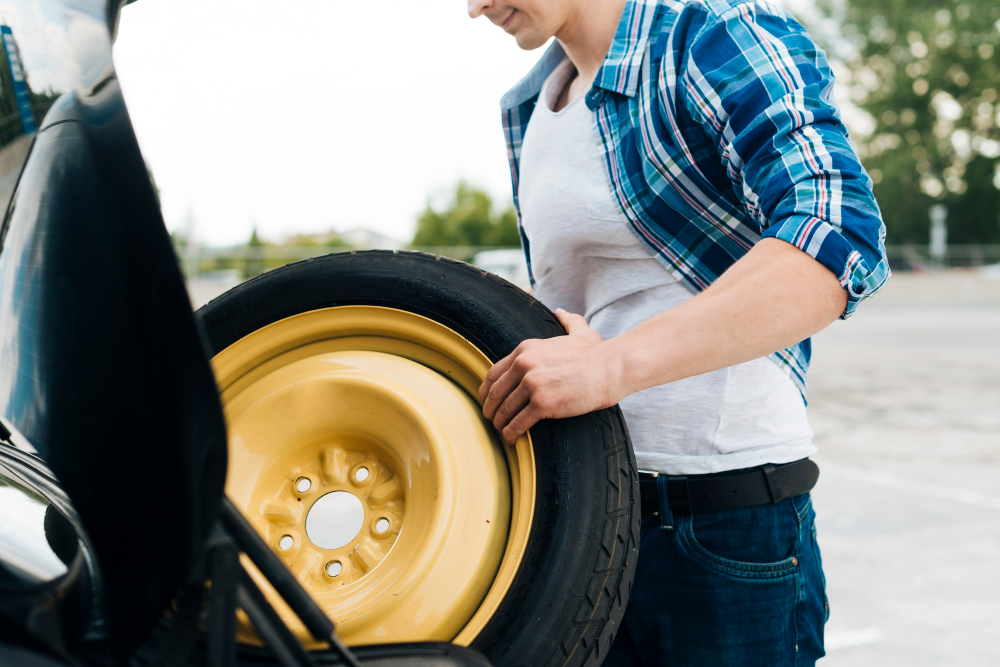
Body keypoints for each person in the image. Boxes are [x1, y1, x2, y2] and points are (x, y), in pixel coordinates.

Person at [467, 0, 890, 665]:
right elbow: (587, 307)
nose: (473, 8)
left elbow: (836, 238)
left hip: (722, 527)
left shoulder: (715, 35)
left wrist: (608, 369)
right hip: (581, 520)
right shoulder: (526, 105)